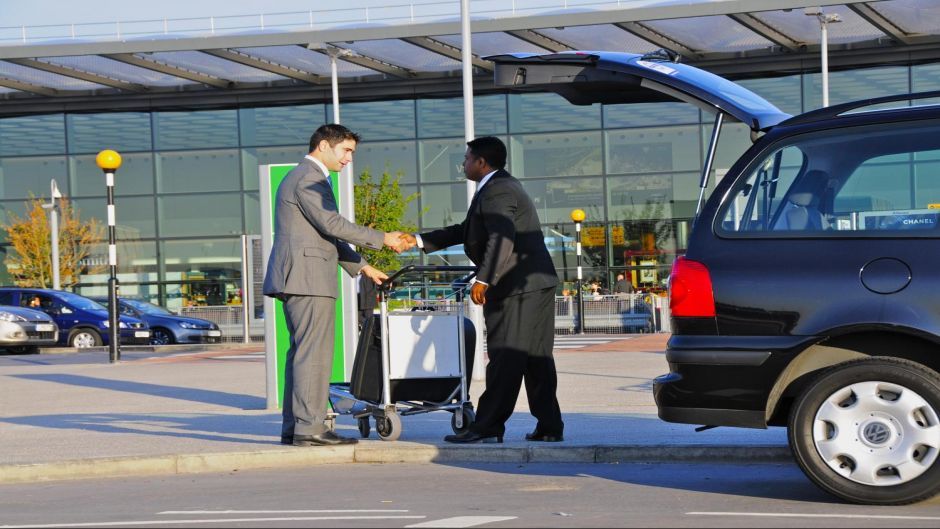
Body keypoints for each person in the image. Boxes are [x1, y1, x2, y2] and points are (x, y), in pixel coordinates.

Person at [399, 136, 563, 444]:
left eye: (466, 159)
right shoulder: (498, 186)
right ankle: (549, 425)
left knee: (505, 356)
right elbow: (467, 231)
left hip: (515, 287)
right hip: (533, 285)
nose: (463, 164)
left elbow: (501, 237)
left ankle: (487, 426)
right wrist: (418, 240)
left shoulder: (497, 190)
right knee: (535, 358)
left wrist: (484, 279)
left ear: (481, 162)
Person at [262, 123, 408, 447]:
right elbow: (332, 224)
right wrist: (382, 238)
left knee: (303, 354)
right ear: (325, 145)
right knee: (313, 355)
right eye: (346, 151)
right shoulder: (308, 178)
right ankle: (309, 428)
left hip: (303, 276)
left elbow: (324, 234)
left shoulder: (305, 177)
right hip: (308, 278)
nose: (348, 160)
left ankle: (297, 426)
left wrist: (364, 267)